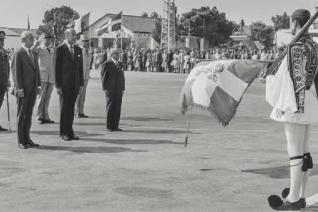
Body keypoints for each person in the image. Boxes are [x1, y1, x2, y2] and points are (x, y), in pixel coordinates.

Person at [267, 9, 318, 210]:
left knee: (295, 152)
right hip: (311, 102)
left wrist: (269, 76)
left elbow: (286, 81)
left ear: (295, 23)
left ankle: (293, 199)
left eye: (291, 23)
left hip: (296, 103)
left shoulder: (295, 47)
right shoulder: (314, 46)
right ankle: (300, 194)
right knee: (304, 152)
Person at [13, 31, 41, 149]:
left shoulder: (33, 53)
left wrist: (38, 85)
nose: (33, 41)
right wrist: (19, 88)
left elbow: (37, 71)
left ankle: (27, 138)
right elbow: (16, 73)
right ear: (25, 40)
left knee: (28, 115)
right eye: (31, 39)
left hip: (33, 89)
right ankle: (21, 140)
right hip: (23, 90)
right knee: (22, 115)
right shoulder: (18, 53)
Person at [55, 28, 83, 141]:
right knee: (64, 109)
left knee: (71, 109)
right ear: (66, 35)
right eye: (72, 34)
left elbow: (80, 68)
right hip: (64, 85)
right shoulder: (60, 49)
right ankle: (63, 133)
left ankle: (70, 132)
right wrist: (58, 85)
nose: (75, 36)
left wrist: (81, 84)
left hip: (75, 84)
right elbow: (56, 68)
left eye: (75, 34)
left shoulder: (78, 49)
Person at [33, 33, 55, 124]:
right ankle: (39, 116)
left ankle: (46, 116)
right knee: (41, 98)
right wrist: (37, 41)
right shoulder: (39, 48)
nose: (49, 41)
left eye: (50, 39)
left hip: (51, 77)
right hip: (43, 76)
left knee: (47, 98)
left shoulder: (52, 48)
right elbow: (31, 50)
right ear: (44, 39)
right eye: (47, 39)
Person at [101, 48, 125, 132]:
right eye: (116, 54)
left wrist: (123, 88)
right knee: (110, 107)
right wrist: (105, 89)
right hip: (110, 89)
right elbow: (103, 77)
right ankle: (109, 126)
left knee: (117, 108)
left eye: (118, 54)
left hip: (118, 89)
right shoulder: (106, 64)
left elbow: (122, 77)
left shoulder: (120, 64)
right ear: (111, 55)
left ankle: (115, 125)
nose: (118, 55)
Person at [76, 34, 93, 118]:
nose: (86, 42)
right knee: (78, 94)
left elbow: (89, 63)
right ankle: (77, 111)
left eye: (87, 41)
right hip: (79, 75)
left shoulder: (90, 50)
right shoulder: (78, 50)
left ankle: (81, 111)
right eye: (84, 41)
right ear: (81, 42)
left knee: (83, 95)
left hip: (86, 75)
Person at [0, 31, 10, 132]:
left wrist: (7, 80)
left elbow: (7, 67)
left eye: (3, 40)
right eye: (0, 40)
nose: (2, 42)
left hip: (3, 82)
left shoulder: (4, 51)